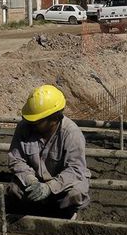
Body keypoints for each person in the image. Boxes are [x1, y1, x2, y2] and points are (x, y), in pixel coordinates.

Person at [8, 85, 90, 219]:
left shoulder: (71, 133)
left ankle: (68, 213)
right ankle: (33, 211)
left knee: (76, 193)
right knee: (14, 189)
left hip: (64, 181)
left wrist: (49, 187)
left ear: (54, 120)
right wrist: (31, 180)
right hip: (35, 177)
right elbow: (16, 160)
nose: (31, 124)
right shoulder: (24, 127)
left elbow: (75, 169)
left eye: (37, 121)